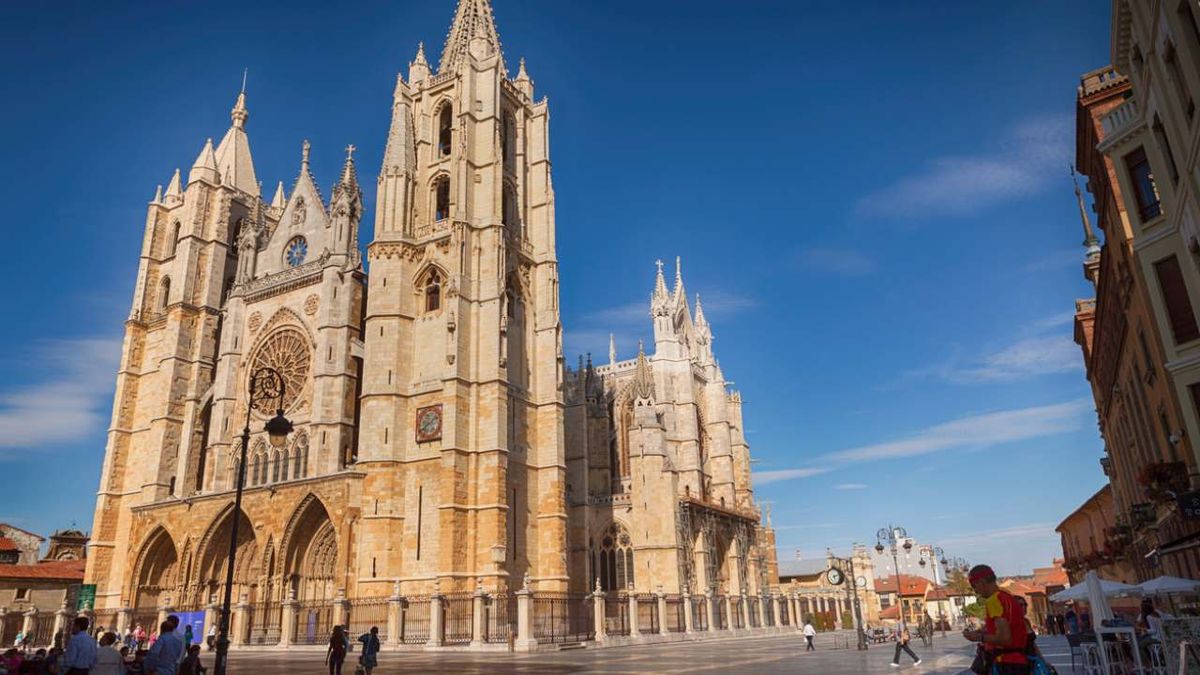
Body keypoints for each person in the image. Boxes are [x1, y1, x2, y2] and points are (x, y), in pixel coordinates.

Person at [963, 564, 1029, 675]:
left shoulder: (994, 601)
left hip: (1005, 663)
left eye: (975, 586)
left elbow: (1005, 639)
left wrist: (979, 637)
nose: (975, 591)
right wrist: (985, 631)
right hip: (1019, 660)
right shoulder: (1007, 597)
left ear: (982, 582)